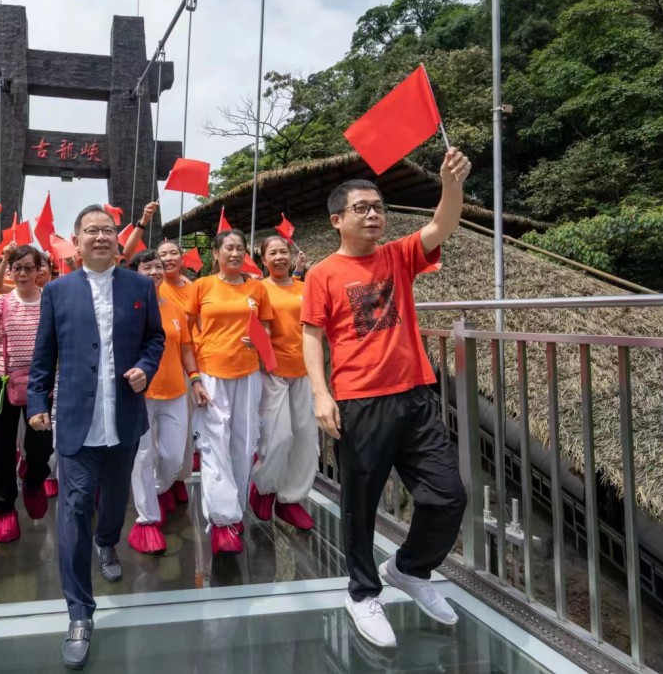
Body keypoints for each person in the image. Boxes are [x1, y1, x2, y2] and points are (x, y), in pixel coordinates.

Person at [302, 149, 472, 649]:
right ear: (337, 220)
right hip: (359, 402)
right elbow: (312, 336)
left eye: (378, 207)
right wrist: (321, 394)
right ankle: (362, 593)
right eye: (362, 208)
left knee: (448, 495)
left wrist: (450, 183)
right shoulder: (322, 274)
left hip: (416, 395)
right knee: (360, 504)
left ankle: (410, 568)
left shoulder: (398, 255)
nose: (373, 214)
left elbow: (442, 225)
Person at [28, 205, 164, 670]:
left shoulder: (140, 287)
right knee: (74, 507)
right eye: (92, 231)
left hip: (123, 414)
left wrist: (145, 368)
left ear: (118, 239)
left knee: (115, 497)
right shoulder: (57, 291)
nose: (101, 237)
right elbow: (43, 354)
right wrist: (37, 402)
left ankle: (108, 541)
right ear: (77, 240)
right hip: (76, 420)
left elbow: (155, 339)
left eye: (108, 230)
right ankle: (79, 614)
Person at [185, 229, 273, 555]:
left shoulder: (257, 288)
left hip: (247, 373)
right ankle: (222, 521)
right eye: (229, 248)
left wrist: (259, 341)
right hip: (211, 373)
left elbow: (266, 327)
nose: (235, 253)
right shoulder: (202, 286)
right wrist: (195, 378)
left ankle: (236, 510)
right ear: (216, 253)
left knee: (244, 441)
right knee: (213, 443)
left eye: (240, 248)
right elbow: (187, 333)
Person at [126, 250, 210, 554]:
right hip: (140, 394)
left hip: (175, 391)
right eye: (147, 267)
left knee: (173, 456)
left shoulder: (175, 307)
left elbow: (186, 347)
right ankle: (146, 519)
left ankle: (156, 490)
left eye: (158, 267)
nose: (154, 272)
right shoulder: (129, 308)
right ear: (135, 273)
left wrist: (195, 379)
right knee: (143, 455)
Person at [0, 244, 52, 542]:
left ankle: (34, 481)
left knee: (41, 445)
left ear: (39, 271)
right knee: (1, 446)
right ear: (9, 271)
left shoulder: (51, 301)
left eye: (28, 268)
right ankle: (4, 506)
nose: (23, 274)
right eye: (17, 268)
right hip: (4, 381)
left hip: (42, 383)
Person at [249, 236, 317, 530]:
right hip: (272, 371)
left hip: (304, 370)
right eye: (272, 253)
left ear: (291, 256)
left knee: (305, 436)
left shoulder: (306, 288)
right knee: (278, 436)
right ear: (263, 260)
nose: (279, 257)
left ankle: (290, 500)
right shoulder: (257, 289)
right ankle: (264, 488)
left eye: (283, 252)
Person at [155, 239, 199, 501]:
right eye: (163, 254)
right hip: (160, 365)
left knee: (184, 427)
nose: (169, 258)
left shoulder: (194, 288)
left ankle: (179, 476)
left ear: (182, 259)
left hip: (189, 362)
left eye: (174, 253)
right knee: (158, 431)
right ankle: (160, 484)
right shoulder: (155, 286)